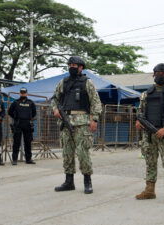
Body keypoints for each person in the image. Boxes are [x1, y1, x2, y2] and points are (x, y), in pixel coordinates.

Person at [51, 56, 102, 194]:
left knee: (83, 152)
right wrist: (55, 109)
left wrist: (94, 119)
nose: (72, 66)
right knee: (67, 153)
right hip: (65, 120)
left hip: (82, 122)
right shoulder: (63, 82)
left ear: (81, 67)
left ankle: (87, 181)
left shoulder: (88, 82)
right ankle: (69, 182)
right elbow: (55, 98)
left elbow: (96, 102)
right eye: (70, 64)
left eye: (75, 65)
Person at [135, 63, 164, 204]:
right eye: (156, 72)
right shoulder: (146, 94)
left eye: (162, 73)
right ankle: (149, 190)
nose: (158, 75)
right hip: (149, 134)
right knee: (150, 162)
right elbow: (140, 112)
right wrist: (138, 122)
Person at [8, 87, 36, 165]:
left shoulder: (31, 102)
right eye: (21, 92)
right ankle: (14, 160)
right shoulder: (15, 102)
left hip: (27, 124)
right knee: (16, 142)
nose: (23, 94)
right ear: (19, 93)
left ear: (27, 93)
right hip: (18, 124)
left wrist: (29, 118)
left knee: (28, 142)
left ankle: (28, 159)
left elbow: (34, 112)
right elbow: (10, 112)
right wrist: (16, 118)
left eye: (24, 92)